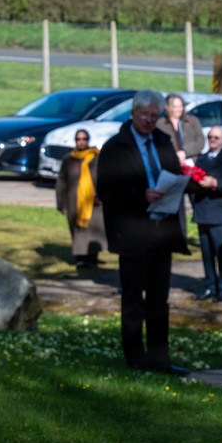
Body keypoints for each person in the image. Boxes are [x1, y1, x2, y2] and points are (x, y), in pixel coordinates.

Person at [96, 90, 189, 373]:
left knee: (159, 301)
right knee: (134, 299)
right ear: (133, 114)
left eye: (154, 115)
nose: (149, 120)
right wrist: (141, 195)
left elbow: (174, 174)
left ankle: (161, 359)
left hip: (162, 231)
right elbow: (108, 190)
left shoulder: (162, 142)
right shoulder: (116, 147)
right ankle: (136, 360)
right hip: (133, 233)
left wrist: (193, 183)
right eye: (144, 114)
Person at [190, 125, 222, 300]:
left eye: (216, 137)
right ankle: (210, 286)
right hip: (203, 212)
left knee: (221, 253)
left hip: (219, 213)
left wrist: (215, 183)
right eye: (210, 137)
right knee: (207, 254)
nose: (212, 140)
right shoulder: (201, 159)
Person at [55, 128, 106, 272]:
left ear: (88, 140)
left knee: (93, 231)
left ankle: (92, 259)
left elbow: (104, 177)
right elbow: (61, 182)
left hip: (93, 202)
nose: (81, 142)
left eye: (84, 139)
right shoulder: (69, 159)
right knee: (78, 232)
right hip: (74, 202)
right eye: (78, 139)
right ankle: (80, 259)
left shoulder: (96, 157)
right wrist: (61, 204)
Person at [162, 93, 205, 161]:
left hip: (192, 162)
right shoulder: (160, 124)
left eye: (181, 106)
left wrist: (184, 151)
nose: (179, 109)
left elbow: (200, 142)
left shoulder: (192, 121)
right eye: (175, 107)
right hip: (171, 162)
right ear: (167, 107)